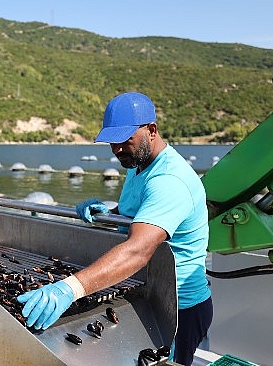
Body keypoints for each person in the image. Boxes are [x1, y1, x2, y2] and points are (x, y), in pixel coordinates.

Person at [16, 92, 212, 366]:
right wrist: (108, 215)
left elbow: (138, 251)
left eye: (124, 140)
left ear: (151, 130)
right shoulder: (139, 163)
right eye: (112, 141)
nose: (117, 149)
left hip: (179, 310)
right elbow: (138, 215)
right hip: (147, 290)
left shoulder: (169, 180)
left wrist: (69, 288)